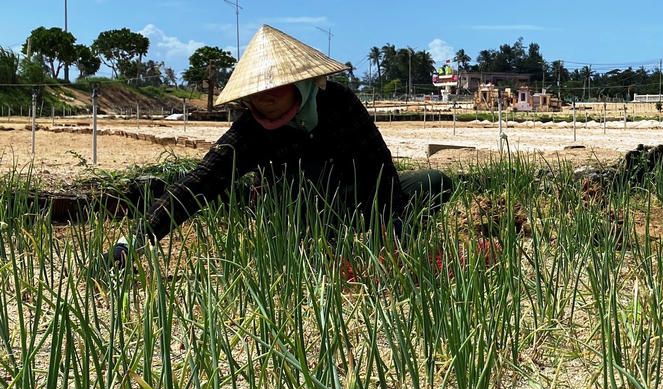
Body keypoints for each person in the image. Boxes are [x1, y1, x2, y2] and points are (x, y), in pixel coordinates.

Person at [107, 25, 452, 266]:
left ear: (301, 84)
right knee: (313, 175)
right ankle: (317, 248)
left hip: (354, 198)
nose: (266, 94)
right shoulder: (249, 130)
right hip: (295, 212)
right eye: (258, 89)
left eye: (277, 84)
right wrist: (131, 243)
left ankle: (376, 237)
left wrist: (395, 241)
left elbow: (379, 166)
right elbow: (200, 183)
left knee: (435, 183)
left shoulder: (339, 102)